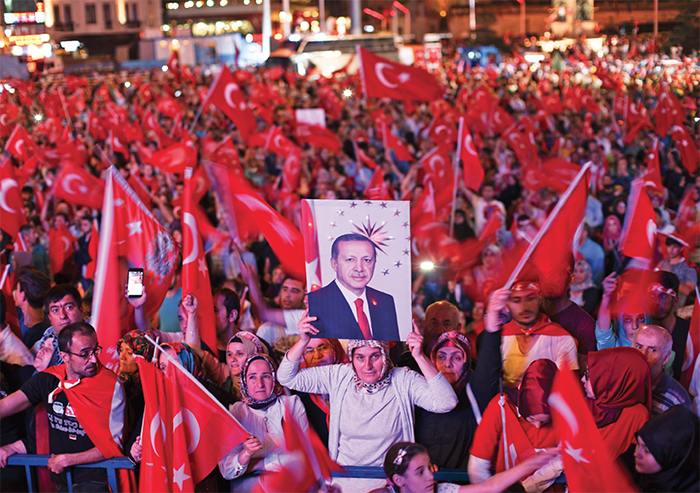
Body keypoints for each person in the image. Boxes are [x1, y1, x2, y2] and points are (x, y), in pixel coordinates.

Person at [278, 310, 458, 467]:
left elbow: (446, 402)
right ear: (352, 359)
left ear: (386, 356)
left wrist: (419, 356)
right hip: (347, 481)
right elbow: (286, 377)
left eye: (375, 356)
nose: (367, 365)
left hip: (390, 482)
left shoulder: (403, 379)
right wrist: (303, 342)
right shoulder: (339, 375)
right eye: (360, 357)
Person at [0, 322, 126, 491]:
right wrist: (12, 447)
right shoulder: (48, 379)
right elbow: (4, 407)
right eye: (84, 354)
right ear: (65, 356)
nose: (94, 359)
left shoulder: (110, 385)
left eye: (96, 350)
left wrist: (68, 459)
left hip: (98, 480)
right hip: (63, 479)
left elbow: (114, 445)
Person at [415, 322, 501, 470]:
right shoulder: (421, 393)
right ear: (433, 361)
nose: (447, 364)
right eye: (441, 357)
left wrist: (493, 325)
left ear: (466, 362)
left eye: (456, 358)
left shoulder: (475, 392)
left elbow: (489, 366)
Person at [469, 360, 562, 493]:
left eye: (544, 421)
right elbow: (478, 466)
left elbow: (564, 458)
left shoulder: (567, 413)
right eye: (532, 419)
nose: (537, 426)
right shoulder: (500, 406)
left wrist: (527, 487)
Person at [218, 354, 309, 490]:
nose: (259, 384)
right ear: (244, 380)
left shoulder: (292, 404)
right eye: (252, 377)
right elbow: (227, 471)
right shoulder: (236, 412)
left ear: (274, 378)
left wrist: (252, 464)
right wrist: (247, 453)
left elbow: (304, 458)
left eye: (266, 376)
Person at [308, 233, 400, 340]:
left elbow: (393, 348)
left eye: (366, 260)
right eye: (350, 259)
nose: (359, 268)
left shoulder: (385, 301)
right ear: (334, 264)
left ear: (374, 263)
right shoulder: (315, 302)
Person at [372, 442, 558, 493]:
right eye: (420, 472)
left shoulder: (443, 490)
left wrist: (533, 462)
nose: (431, 477)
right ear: (398, 480)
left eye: (429, 468)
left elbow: (491, 487)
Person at [495, 282, 578, 387]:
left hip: (545, 402)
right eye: (516, 300)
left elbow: (569, 389)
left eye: (530, 299)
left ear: (540, 299)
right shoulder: (498, 338)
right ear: (507, 305)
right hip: (506, 401)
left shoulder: (561, 338)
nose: (525, 307)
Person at [582, 347, 652, 459]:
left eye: (588, 376)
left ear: (613, 380)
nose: (582, 379)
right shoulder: (591, 401)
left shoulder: (637, 414)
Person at [633, 405, 699, 492]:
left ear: (674, 458)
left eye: (647, 451)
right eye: (638, 443)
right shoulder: (631, 469)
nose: (636, 453)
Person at [297, 338, 347, 447]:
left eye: (323, 347)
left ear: (335, 349)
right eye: (309, 350)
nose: (317, 356)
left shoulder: (353, 381)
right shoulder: (299, 390)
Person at [632, 325, 691, 416]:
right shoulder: (619, 382)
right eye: (639, 347)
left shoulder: (678, 400)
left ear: (666, 358)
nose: (643, 355)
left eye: (653, 350)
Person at [648, 272, 691, 380]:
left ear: (675, 300)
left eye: (663, 296)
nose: (656, 302)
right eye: (652, 296)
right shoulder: (640, 331)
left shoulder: (689, 332)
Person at [32, 284, 84, 369]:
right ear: (50, 318)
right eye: (55, 310)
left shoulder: (97, 335)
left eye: (68, 307)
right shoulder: (42, 343)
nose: (62, 315)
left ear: (81, 310)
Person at [595, 273, 651, 349]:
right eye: (627, 320)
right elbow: (603, 335)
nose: (635, 327)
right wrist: (606, 297)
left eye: (641, 319)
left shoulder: (658, 350)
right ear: (620, 322)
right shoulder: (611, 348)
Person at [12, 267, 51, 350]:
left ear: (23, 295)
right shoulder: (19, 313)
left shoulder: (38, 336)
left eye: (17, 290)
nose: (15, 293)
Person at [657, 236, 697, 307]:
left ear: (681, 248)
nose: (671, 249)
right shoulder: (663, 263)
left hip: (679, 309)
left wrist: (671, 275)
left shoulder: (689, 267)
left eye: (675, 247)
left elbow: (690, 293)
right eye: (669, 246)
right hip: (662, 305)